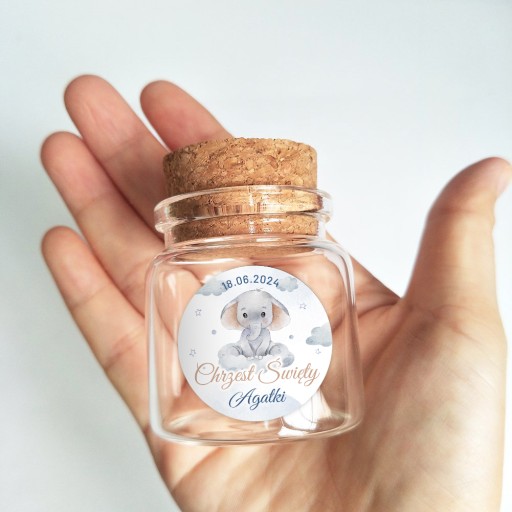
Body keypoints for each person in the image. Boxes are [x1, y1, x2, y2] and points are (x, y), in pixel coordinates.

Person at [41, 75, 510, 512]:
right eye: (247, 315)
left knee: (272, 356)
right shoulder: (171, 267)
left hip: (301, 413)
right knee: (233, 357)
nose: (254, 320)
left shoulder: (323, 261)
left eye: (261, 314)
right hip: (233, 398)